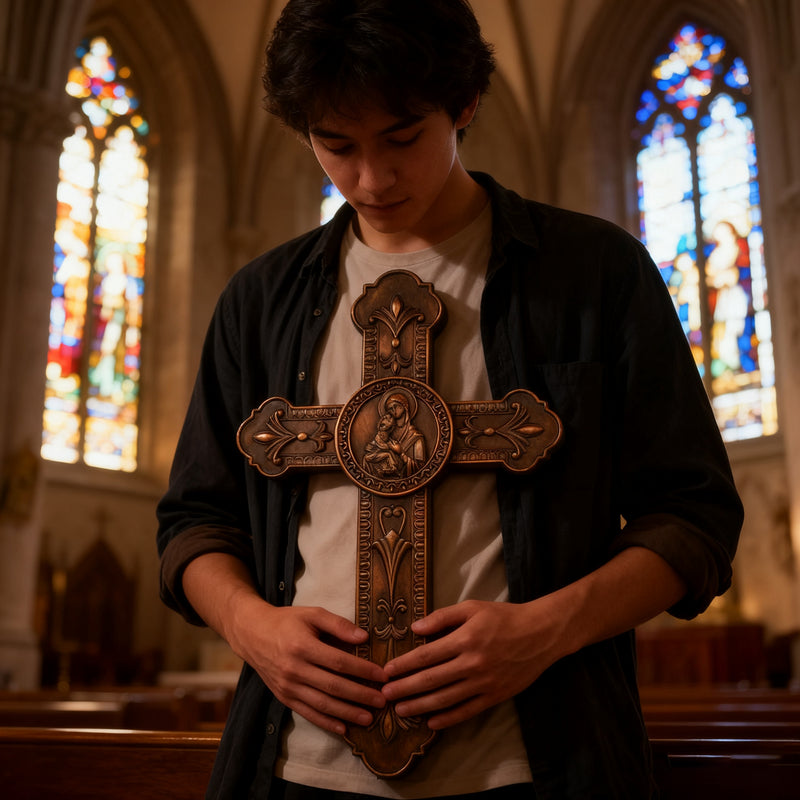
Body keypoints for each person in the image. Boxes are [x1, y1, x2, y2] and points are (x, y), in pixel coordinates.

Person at [156, 2, 743, 798]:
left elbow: (695, 518)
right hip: (292, 768)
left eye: (402, 137)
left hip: (538, 763)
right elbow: (195, 520)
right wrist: (250, 626)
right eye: (337, 146)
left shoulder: (596, 275)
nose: (371, 178)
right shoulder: (258, 302)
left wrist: (543, 632)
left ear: (464, 105)